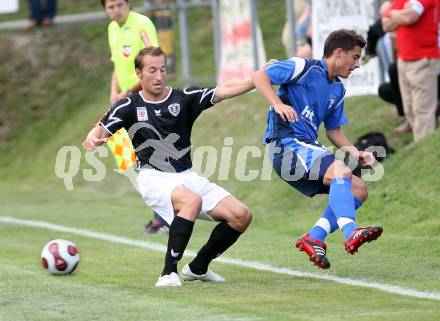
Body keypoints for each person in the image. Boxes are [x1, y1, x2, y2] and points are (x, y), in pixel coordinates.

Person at [83, 47, 253, 286]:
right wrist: (94, 136)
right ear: (139, 74)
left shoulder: (182, 98)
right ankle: (167, 273)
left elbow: (223, 91)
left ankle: (198, 267)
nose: (159, 76)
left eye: (162, 69)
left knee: (241, 215)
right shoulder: (130, 105)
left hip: (186, 176)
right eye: (152, 70)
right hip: (153, 177)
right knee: (191, 201)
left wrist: (256, 80)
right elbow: (102, 126)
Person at [253, 29, 383, 270]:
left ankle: (314, 237)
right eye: (354, 57)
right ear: (338, 52)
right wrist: (277, 103)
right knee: (341, 172)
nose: (356, 64)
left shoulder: (338, 90)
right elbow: (260, 75)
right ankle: (350, 231)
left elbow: (333, 130)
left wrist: (355, 153)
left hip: (305, 146)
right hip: (286, 143)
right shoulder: (303, 67)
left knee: (358, 189)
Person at [102, 0, 167, 233]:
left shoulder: (142, 23)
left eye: (119, 4)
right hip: (124, 100)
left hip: (143, 99)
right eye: (110, 6)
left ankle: (164, 218)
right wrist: (114, 92)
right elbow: (116, 65)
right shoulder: (112, 28)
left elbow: (154, 63)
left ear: (128, 4)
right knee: (130, 158)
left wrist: (127, 91)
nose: (116, 10)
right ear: (105, 10)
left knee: (152, 158)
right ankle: (164, 213)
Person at [382, 0, 440, 142]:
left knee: (422, 110)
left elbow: (410, 17)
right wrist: (401, 15)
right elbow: (386, 26)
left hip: (424, 59)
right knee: (410, 108)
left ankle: (423, 149)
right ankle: (421, 145)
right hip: (404, 59)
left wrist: (392, 13)